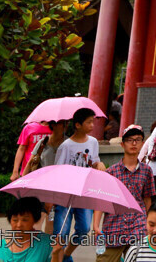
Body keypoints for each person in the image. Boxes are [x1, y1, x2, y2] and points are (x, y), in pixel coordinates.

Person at [94, 126, 156, 262]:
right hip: (114, 227)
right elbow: (102, 201)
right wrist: (96, 225)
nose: (134, 143)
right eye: (130, 140)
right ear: (122, 144)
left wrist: (150, 224)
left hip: (137, 226)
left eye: (138, 140)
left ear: (142, 143)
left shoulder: (147, 171)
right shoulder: (111, 172)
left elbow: (147, 200)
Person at [53, 107, 107, 262]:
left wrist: (100, 164)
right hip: (66, 195)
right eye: (89, 122)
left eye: (92, 122)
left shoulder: (93, 142)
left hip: (85, 193)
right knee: (61, 232)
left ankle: (66, 255)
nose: (92, 125)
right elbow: (58, 170)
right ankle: (58, 257)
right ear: (77, 125)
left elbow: (94, 161)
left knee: (84, 229)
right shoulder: (66, 146)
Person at [0, 196, 52, 262]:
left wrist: (56, 254)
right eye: (15, 220)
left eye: (25, 220)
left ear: (35, 220)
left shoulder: (47, 244)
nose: (19, 225)